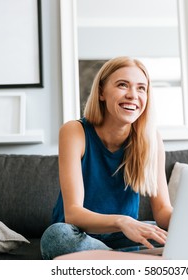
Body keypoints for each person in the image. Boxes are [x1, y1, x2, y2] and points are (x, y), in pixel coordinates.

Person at [40, 56, 173, 260]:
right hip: (80, 235)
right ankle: (131, 259)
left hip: (127, 236)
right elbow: (73, 213)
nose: (133, 95)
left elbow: (163, 211)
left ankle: (110, 259)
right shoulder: (75, 132)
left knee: (168, 234)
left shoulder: (151, 139)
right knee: (57, 237)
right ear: (101, 92)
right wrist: (122, 221)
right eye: (122, 85)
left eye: (141, 88)